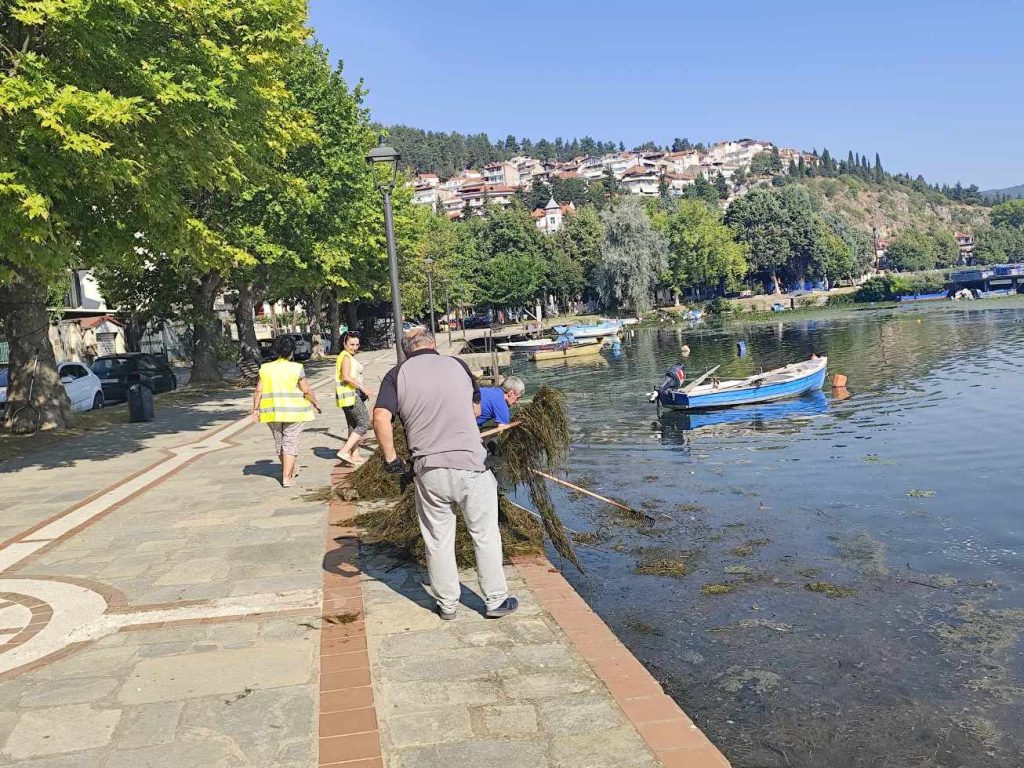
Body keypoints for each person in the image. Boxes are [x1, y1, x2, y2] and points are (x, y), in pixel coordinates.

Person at [372, 326, 518, 621]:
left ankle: (447, 605)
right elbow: (476, 411)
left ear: (405, 350)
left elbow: (379, 417)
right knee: (485, 534)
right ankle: (495, 600)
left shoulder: (396, 375)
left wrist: (391, 458)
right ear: (433, 344)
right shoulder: (458, 365)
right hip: (472, 466)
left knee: (438, 539)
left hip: (429, 469)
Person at [252, 336, 321, 488]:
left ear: (276, 350)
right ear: (292, 352)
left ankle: (290, 469)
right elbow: (306, 389)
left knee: (279, 442)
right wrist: (315, 403)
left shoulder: (265, 368)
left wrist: (255, 409)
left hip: (272, 412)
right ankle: (286, 477)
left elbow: (258, 390)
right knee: (290, 441)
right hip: (294, 411)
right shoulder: (296, 368)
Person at [335, 332, 373, 466]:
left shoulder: (347, 356)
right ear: (344, 343)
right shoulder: (345, 357)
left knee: (353, 425)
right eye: (351, 344)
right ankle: (345, 450)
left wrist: (363, 387)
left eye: (357, 344)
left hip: (348, 396)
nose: (355, 347)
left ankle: (354, 454)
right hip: (351, 395)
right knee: (363, 423)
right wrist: (363, 389)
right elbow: (346, 377)